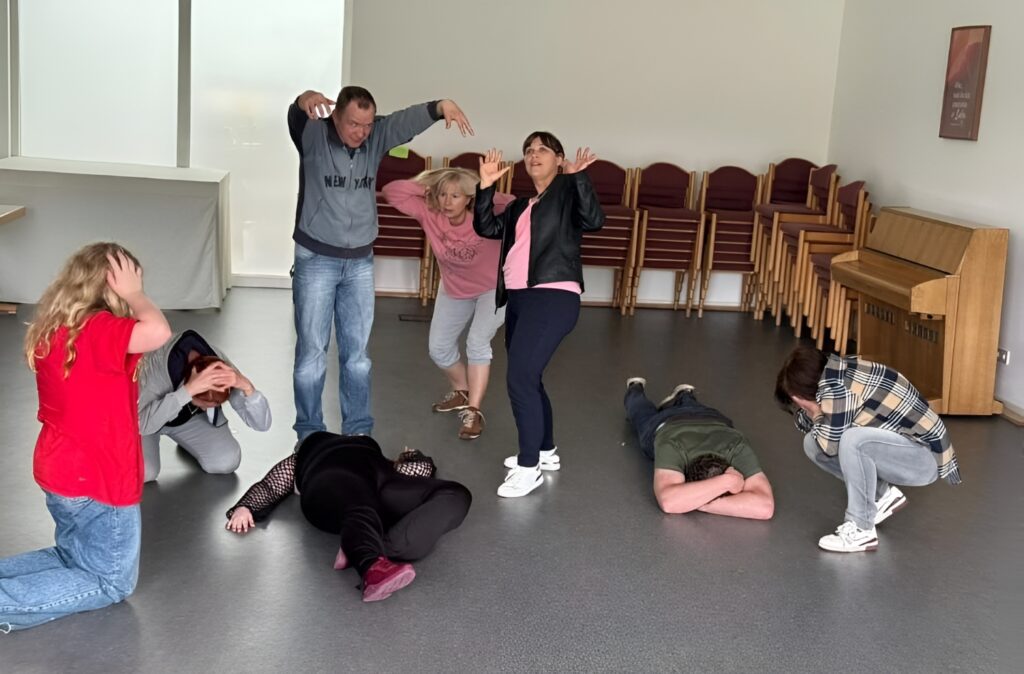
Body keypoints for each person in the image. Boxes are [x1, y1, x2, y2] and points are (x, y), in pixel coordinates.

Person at [0, 243, 171, 633]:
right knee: (109, 582)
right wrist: (136, 295)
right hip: (98, 478)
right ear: (112, 287)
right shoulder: (98, 329)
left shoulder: (57, 328)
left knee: (71, 558)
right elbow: (158, 332)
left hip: (61, 469)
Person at [288, 86, 473, 442]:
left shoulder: (375, 137)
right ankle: (309, 434)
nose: (362, 132)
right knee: (311, 354)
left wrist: (439, 107)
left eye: (368, 124)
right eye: (353, 124)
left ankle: (358, 432)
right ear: (336, 117)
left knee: (357, 356)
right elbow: (296, 117)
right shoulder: (313, 135)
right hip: (316, 260)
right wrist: (301, 100)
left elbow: (404, 121)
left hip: (359, 261)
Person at [474, 133, 605, 498]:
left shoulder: (567, 194)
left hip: (552, 296)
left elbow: (594, 220)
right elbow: (486, 228)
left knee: (520, 378)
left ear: (559, 159)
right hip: (519, 299)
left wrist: (578, 178)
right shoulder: (520, 205)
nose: (533, 155)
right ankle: (545, 451)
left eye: (542, 149)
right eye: (528, 151)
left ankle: (528, 466)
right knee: (529, 378)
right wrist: (485, 188)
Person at [225, 432, 471, 602]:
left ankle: (375, 544)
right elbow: (270, 485)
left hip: (379, 477)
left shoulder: (379, 456)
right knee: (360, 505)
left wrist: (413, 456)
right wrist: (246, 506)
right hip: (331, 478)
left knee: (457, 494)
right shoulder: (300, 457)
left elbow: (419, 470)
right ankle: (371, 566)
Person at [775, 346, 961, 553]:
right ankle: (881, 497)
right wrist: (813, 411)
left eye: (797, 401)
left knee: (852, 440)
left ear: (803, 392)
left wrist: (815, 410)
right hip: (907, 449)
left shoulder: (837, 390)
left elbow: (830, 445)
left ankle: (861, 529)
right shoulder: (836, 372)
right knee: (812, 443)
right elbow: (817, 435)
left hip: (924, 460)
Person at [381, 168, 515, 440]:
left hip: (493, 288)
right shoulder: (430, 213)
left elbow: (512, 202)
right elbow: (391, 191)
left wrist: (483, 191)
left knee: (477, 342)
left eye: (455, 195)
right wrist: (431, 186)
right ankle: (462, 390)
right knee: (439, 349)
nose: (447, 201)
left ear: (468, 198)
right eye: (443, 195)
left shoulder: (485, 214)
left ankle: (473, 411)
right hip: (455, 288)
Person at [624, 378, 775, 520]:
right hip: (667, 422)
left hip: (711, 417)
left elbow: (766, 508)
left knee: (689, 406)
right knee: (640, 413)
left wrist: (720, 487)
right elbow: (669, 502)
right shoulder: (673, 446)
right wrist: (726, 482)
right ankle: (635, 387)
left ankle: (684, 394)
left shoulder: (736, 447)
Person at [138, 330, 272, 482]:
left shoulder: (219, 365)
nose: (205, 409)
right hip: (145, 416)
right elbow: (142, 424)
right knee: (144, 472)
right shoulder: (153, 365)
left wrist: (247, 387)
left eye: (214, 405)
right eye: (204, 404)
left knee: (226, 461)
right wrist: (186, 392)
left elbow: (262, 425)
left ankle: (188, 442)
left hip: (184, 417)